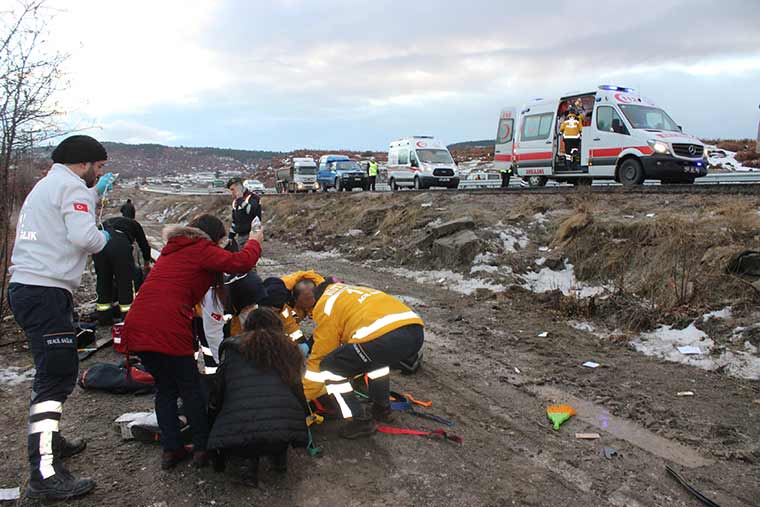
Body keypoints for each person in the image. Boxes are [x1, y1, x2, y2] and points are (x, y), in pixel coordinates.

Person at [7, 135, 115, 500]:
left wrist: (93, 196)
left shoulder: (48, 184)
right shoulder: (72, 188)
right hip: (45, 291)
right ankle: (44, 472)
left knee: (54, 370)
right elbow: (85, 237)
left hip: (32, 287)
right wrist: (106, 237)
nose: (99, 174)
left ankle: (51, 441)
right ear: (83, 164)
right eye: (98, 168)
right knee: (55, 378)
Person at [123, 214, 262, 470]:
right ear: (212, 237)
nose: (220, 247)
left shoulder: (173, 250)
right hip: (167, 326)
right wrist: (255, 240)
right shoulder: (200, 248)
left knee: (165, 389)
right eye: (220, 242)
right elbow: (241, 262)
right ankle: (202, 449)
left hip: (138, 324)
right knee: (190, 389)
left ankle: (171, 449)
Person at [302, 281, 425, 439]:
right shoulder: (350, 292)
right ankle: (382, 408)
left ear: (315, 299)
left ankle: (360, 420)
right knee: (374, 360)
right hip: (415, 332)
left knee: (329, 366)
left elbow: (321, 357)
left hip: (385, 339)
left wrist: (304, 395)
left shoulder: (325, 305)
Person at [207, 308, 308, 486]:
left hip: (241, 429)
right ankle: (279, 460)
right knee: (276, 427)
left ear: (248, 326)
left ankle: (249, 469)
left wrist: (212, 416)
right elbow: (297, 390)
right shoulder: (289, 349)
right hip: (283, 428)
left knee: (247, 434)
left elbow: (218, 390)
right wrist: (303, 418)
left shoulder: (232, 350)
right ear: (277, 325)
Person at [93, 214, 153, 325]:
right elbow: (143, 244)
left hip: (99, 244)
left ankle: (104, 317)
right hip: (119, 244)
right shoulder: (134, 224)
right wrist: (147, 262)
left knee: (103, 280)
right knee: (125, 282)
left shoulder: (106, 223)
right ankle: (127, 317)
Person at [226, 177, 261, 247]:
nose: (231, 192)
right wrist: (230, 236)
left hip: (252, 236)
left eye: (233, 189)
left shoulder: (253, 197)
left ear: (240, 187)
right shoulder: (235, 202)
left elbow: (251, 211)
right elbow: (235, 221)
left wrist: (240, 200)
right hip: (240, 237)